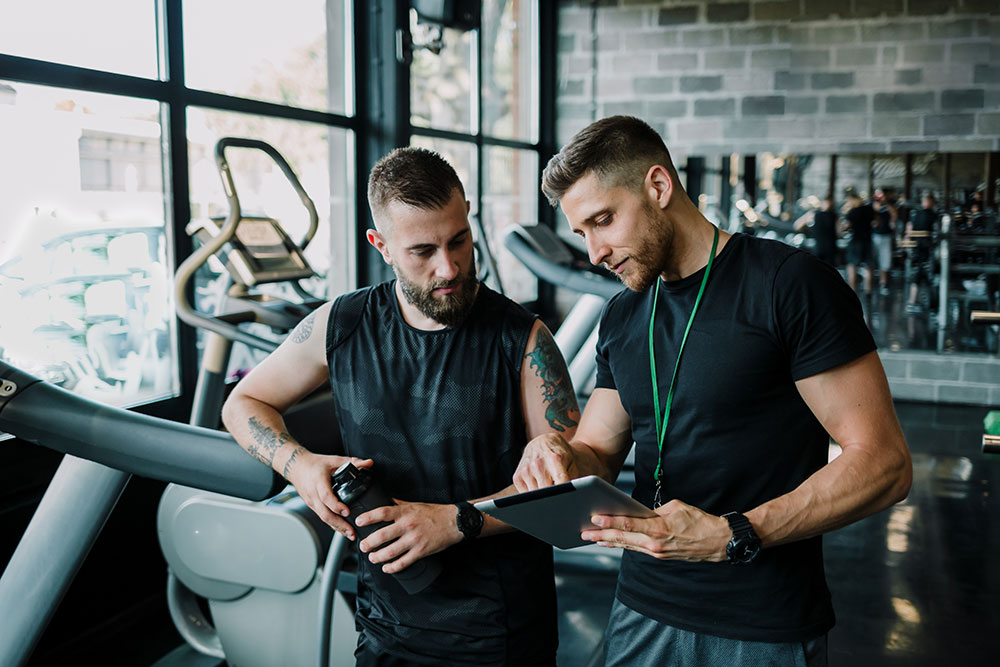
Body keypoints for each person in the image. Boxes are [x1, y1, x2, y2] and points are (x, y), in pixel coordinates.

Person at [512, 116, 912, 667]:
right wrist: (556, 452)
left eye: (603, 221)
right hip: (641, 608)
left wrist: (732, 534)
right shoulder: (624, 315)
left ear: (658, 186)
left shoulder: (789, 285)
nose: (596, 252)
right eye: (583, 233)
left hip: (761, 623)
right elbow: (599, 450)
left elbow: (884, 463)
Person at [222, 147, 579, 666]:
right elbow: (243, 402)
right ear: (381, 245)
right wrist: (298, 466)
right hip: (385, 627)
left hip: (498, 635)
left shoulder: (523, 340)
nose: (449, 266)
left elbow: (566, 498)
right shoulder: (340, 325)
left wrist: (455, 521)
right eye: (422, 251)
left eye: (459, 240)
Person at [905, 193, 939, 314]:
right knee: (927, 277)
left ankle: (914, 302)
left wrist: (909, 244)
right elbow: (937, 233)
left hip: (916, 249)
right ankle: (918, 304)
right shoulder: (933, 216)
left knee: (918, 275)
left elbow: (909, 228)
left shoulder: (916, 214)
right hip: (926, 251)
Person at [842, 190, 877, 295]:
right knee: (868, 265)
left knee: (852, 265)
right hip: (867, 240)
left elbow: (845, 227)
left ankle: (852, 290)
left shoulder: (852, 212)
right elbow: (877, 222)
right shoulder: (869, 209)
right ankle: (868, 290)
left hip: (855, 241)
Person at [793, 196, 839, 267]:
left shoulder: (814, 214)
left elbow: (797, 226)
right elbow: (839, 232)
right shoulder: (833, 215)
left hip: (821, 247)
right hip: (827, 247)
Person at [871, 188, 897, 296]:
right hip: (874, 236)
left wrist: (886, 205)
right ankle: (870, 283)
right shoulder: (872, 206)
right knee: (872, 261)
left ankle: (883, 283)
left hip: (886, 236)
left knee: (884, 261)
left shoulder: (890, 206)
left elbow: (894, 216)